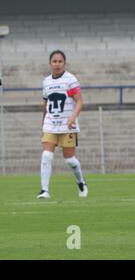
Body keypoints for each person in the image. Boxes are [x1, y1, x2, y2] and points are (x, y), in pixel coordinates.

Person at [37, 50, 88, 199]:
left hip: (67, 125)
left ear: (64, 63)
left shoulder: (70, 80)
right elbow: (45, 102)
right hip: (50, 124)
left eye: (60, 61)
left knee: (70, 160)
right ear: (50, 63)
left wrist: (73, 116)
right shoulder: (46, 81)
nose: (57, 64)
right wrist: (43, 121)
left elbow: (79, 101)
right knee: (46, 155)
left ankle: (81, 182)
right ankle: (44, 190)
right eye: (54, 61)